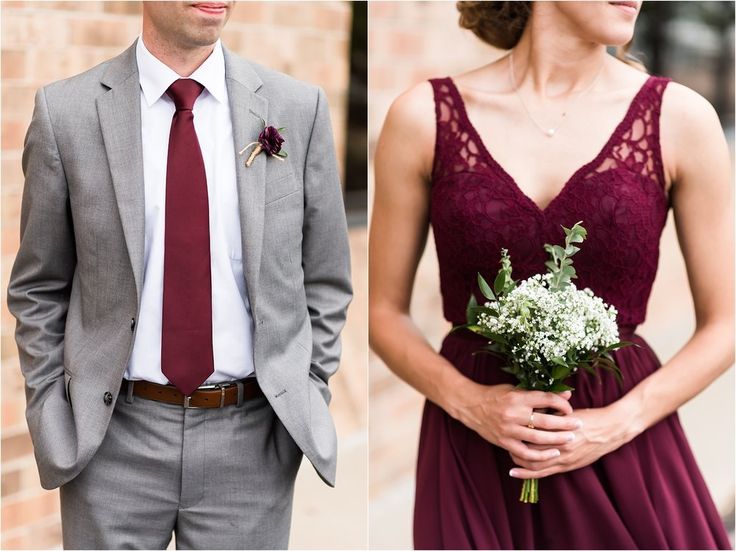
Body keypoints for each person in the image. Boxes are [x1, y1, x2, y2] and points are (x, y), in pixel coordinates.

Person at [369, 1, 733, 548]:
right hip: (475, 442)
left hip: (625, 449)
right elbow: (382, 313)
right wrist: (471, 403)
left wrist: (615, 424)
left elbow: (726, 323)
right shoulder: (422, 117)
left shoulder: (683, 119)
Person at [7, 1, 352, 548]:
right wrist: (54, 411)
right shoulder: (66, 113)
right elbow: (39, 287)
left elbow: (326, 278)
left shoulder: (296, 108)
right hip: (112, 442)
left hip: (251, 443)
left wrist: (306, 386)